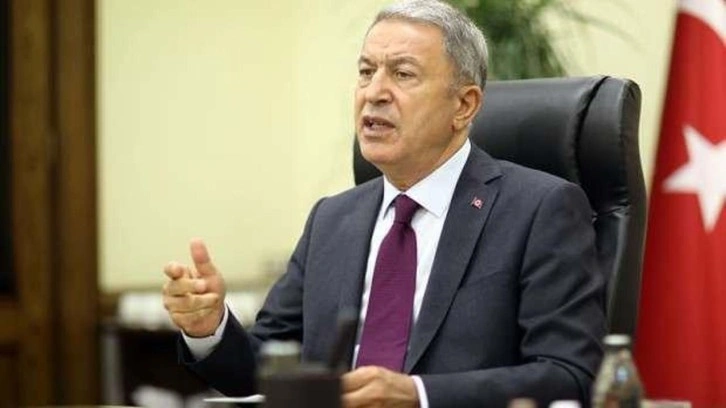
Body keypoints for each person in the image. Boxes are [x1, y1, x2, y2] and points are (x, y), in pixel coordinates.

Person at [162, 1, 606, 407]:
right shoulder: (332, 219)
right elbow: (267, 368)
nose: (374, 92)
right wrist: (210, 327)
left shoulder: (539, 209)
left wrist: (418, 395)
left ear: (464, 105)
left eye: (403, 74)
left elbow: (569, 376)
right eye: (365, 71)